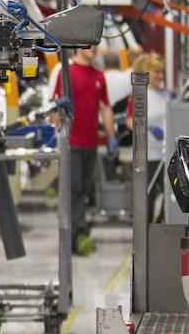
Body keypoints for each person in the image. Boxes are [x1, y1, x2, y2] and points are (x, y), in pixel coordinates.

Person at [53, 45, 116, 256]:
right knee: (74, 190)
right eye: (89, 45)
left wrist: (111, 137)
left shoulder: (99, 76)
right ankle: (77, 236)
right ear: (77, 48)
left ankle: (77, 234)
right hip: (72, 143)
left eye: (95, 45)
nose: (94, 48)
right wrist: (58, 136)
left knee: (84, 190)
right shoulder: (66, 74)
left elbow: (105, 107)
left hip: (91, 143)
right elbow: (56, 108)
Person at [126, 53, 170, 221]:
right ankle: (144, 235)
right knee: (147, 198)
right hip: (147, 154)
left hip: (165, 154)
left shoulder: (164, 95)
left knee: (169, 195)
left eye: (161, 72)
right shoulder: (139, 96)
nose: (160, 76)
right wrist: (147, 128)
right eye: (156, 72)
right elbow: (130, 121)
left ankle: (159, 227)